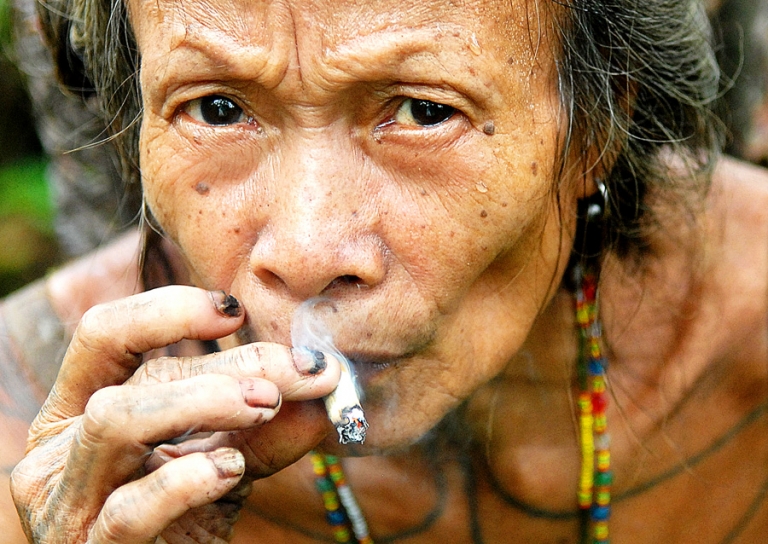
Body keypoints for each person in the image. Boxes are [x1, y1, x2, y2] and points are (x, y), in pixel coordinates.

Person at [4, 0, 768, 542]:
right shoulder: (35, 448)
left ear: (597, 125)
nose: (305, 255)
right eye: (216, 110)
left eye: (425, 112)